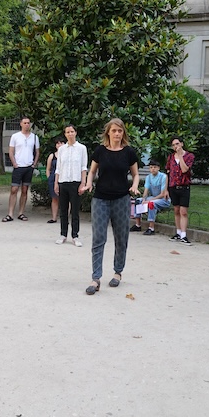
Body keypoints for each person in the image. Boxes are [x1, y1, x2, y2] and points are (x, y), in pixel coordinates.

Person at [79, 118, 140, 295]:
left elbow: (135, 174)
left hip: (121, 199)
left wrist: (135, 186)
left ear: (123, 133)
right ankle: (95, 278)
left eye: (120, 131)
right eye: (114, 131)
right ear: (108, 133)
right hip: (100, 199)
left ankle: (117, 272)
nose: (117, 134)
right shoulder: (100, 151)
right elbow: (92, 171)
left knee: (121, 238)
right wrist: (88, 183)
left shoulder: (129, 152)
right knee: (98, 238)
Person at [54, 124, 88, 246]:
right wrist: (56, 183)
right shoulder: (62, 149)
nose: (70, 134)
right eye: (67, 132)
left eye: (72, 131)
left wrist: (83, 183)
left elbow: (83, 167)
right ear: (65, 134)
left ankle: (75, 235)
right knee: (63, 210)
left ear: (75, 133)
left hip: (76, 182)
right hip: (63, 182)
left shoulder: (82, 148)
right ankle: (63, 234)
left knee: (75, 210)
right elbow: (58, 168)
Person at [3, 116, 40, 222]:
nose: (27, 125)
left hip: (29, 166)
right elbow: (11, 151)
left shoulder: (34, 137)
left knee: (24, 190)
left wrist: (34, 164)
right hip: (18, 166)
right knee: (14, 189)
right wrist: (14, 163)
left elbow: (37, 152)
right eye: (25, 123)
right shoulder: (15, 136)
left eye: (28, 123)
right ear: (21, 124)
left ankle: (21, 212)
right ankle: (10, 213)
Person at [165, 137, 195, 243]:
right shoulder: (170, 157)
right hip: (173, 186)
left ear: (182, 144)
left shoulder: (189, 156)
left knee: (183, 211)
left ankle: (183, 234)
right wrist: (166, 189)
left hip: (184, 186)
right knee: (176, 210)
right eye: (173, 145)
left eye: (177, 144)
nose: (175, 146)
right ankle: (178, 232)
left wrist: (180, 156)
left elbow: (185, 169)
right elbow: (168, 173)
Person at [131, 159, 170, 236]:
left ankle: (151, 228)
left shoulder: (163, 177)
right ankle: (138, 225)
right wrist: (144, 199)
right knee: (138, 201)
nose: (153, 169)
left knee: (151, 204)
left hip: (163, 199)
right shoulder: (148, 177)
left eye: (155, 167)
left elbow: (162, 194)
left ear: (158, 168)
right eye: (151, 167)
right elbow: (146, 190)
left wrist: (149, 201)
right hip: (153, 197)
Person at [45, 137, 65, 223]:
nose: (59, 145)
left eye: (61, 143)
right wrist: (49, 178)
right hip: (53, 179)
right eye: (57, 143)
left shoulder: (67, 155)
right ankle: (54, 218)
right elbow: (48, 169)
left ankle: (65, 218)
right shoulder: (52, 156)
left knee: (66, 199)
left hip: (64, 178)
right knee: (54, 198)